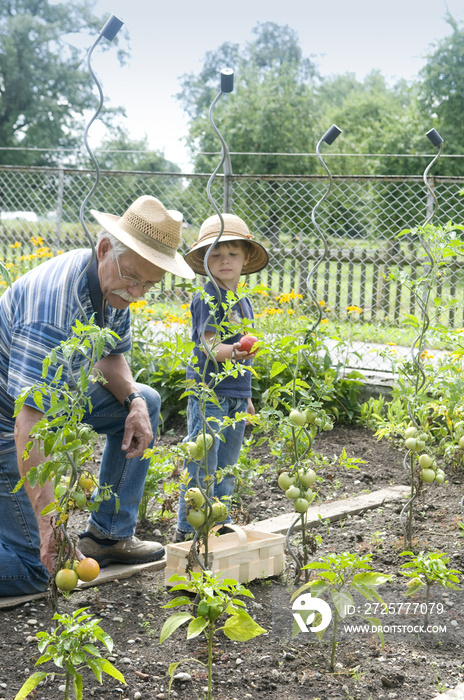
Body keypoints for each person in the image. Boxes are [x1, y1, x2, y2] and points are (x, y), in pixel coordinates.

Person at [0, 195, 194, 596]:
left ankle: (107, 536)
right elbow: (29, 427)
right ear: (105, 248)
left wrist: (135, 403)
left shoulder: (112, 282)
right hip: (8, 422)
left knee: (146, 399)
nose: (138, 292)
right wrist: (49, 526)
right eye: (134, 279)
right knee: (33, 569)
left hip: (54, 402)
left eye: (150, 284)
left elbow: (111, 356)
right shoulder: (52, 309)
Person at [174, 213, 269, 542]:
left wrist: (248, 397)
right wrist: (236, 353)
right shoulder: (208, 297)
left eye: (231, 254)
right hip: (208, 394)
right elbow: (211, 346)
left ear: (245, 259)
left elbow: (244, 358)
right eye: (215, 254)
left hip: (236, 397)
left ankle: (219, 525)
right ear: (204, 259)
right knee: (203, 463)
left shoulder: (243, 301)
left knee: (227, 466)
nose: (224, 260)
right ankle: (189, 529)